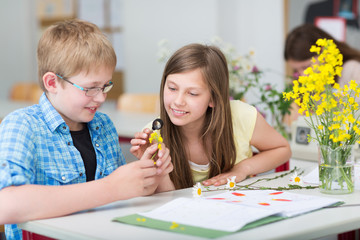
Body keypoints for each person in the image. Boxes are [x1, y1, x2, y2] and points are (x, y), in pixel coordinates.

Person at [0, 19, 172, 240]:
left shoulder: (104, 126)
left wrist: (146, 177)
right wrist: (111, 187)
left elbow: (122, 201)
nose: (101, 97)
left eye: (105, 86)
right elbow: (6, 205)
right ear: (52, 83)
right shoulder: (21, 125)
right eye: (90, 88)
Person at [130, 43, 291, 190]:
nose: (178, 101)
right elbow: (167, 199)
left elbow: (282, 149)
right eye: (172, 88)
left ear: (213, 98)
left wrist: (243, 169)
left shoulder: (241, 116)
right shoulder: (154, 135)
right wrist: (157, 168)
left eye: (192, 93)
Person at [284, 24, 360, 123]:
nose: (303, 74)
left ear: (323, 52)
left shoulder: (352, 70)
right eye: (296, 70)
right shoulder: (306, 86)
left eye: (305, 67)